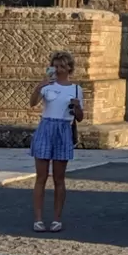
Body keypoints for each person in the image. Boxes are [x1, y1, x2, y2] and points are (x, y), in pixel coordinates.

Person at [29, 50, 84, 234]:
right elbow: (33, 103)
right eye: (56, 66)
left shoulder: (76, 89)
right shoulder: (47, 86)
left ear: (69, 68)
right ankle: (38, 219)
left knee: (59, 179)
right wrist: (39, 86)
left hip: (63, 130)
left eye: (62, 66)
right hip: (46, 129)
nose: (59, 69)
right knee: (41, 177)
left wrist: (77, 107)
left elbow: (81, 117)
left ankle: (56, 219)